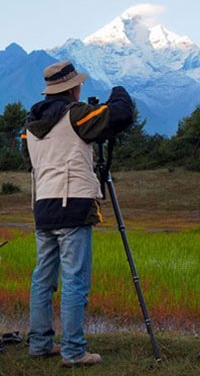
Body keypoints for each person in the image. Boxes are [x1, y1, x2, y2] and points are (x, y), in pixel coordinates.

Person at [21, 60, 133, 367]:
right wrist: (118, 90)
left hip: (43, 206)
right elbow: (121, 114)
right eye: (78, 85)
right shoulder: (76, 116)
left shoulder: (29, 126)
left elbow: (28, 157)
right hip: (74, 206)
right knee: (74, 281)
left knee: (43, 279)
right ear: (72, 88)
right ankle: (73, 351)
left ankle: (40, 343)